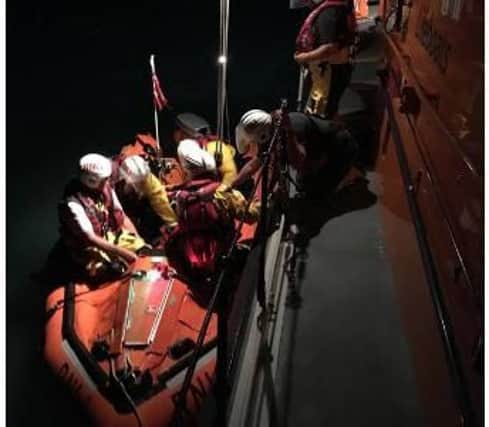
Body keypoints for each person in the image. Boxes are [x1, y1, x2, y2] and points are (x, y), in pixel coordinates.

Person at [166, 139, 259, 279]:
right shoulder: (221, 193)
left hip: (195, 270)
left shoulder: (179, 197)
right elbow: (252, 216)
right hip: (225, 263)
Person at [232, 109, 362, 197]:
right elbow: (255, 164)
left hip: (342, 149)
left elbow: (298, 162)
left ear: (263, 137)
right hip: (321, 150)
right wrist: (233, 184)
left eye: (253, 143)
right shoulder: (270, 128)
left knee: (314, 193)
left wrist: (289, 133)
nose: (253, 146)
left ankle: (348, 174)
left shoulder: (292, 128)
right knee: (303, 182)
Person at [58, 153, 146, 280]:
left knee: (143, 248)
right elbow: (91, 238)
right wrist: (124, 254)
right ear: (91, 181)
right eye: (104, 179)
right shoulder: (72, 203)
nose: (108, 182)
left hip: (110, 236)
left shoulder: (106, 187)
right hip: (89, 246)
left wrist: (139, 239)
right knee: (113, 269)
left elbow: (122, 216)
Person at [294, 0, 356, 119]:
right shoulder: (333, 9)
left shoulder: (328, 13)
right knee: (330, 110)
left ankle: (325, 133)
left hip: (328, 73)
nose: (307, 4)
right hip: (327, 73)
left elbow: (329, 48)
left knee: (320, 115)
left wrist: (302, 58)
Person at [114, 155, 178, 243]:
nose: (141, 185)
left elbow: (161, 201)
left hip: (137, 209)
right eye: (138, 183)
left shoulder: (147, 179)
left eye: (143, 182)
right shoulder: (112, 180)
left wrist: (174, 225)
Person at [173, 112, 238, 189]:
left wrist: (219, 193)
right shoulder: (192, 149)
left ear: (181, 133)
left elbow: (230, 173)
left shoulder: (213, 146)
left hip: (216, 194)